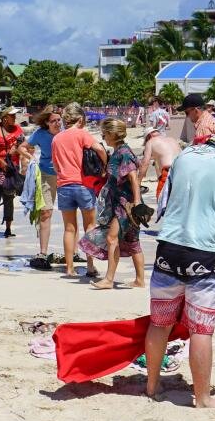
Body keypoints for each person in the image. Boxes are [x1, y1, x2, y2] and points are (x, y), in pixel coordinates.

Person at [144, 120, 215, 408]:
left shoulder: (187, 155)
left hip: (168, 247)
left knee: (160, 323)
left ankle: (152, 385)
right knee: (201, 329)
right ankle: (203, 398)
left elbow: (165, 201)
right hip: (204, 254)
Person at [79, 118, 146, 289]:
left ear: (112, 134)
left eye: (104, 133)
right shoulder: (119, 151)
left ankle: (108, 280)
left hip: (125, 205)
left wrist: (137, 201)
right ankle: (139, 280)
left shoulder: (123, 152)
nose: (103, 137)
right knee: (133, 241)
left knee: (111, 238)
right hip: (122, 204)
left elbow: (133, 177)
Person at [52, 103, 106, 278]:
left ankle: (69, 268)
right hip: (83, 185)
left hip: (64, 186)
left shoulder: (57, 139)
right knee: (89, 226)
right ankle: (90, 266)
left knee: (69, 229)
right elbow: (99, 148)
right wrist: (104, 165)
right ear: (80, 119)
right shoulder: (82, 133)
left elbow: (55, 165)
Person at [0, 106, 27, 241]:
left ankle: (8, 229)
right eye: (12, 116)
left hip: (11, 169)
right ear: (5, 118)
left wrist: (22, 165)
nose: (15, 118)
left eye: (15, 115)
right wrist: (0, 163)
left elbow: (24, 146)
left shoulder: (18, 129)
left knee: (9, 197)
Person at [26, 106, 61, 263]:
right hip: (46, 175)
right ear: (47, 122)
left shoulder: (65, 132)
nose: (58, 123)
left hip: (66, 176)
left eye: (59, 120)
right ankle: (43, 253)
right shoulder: (40, 134)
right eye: (54, 121)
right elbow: (22, 147)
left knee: (71, 213)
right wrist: (31, 158)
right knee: (45, 213)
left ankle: (74, 253)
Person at [138, 127, 182, 203]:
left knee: (162, 202)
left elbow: (145, 163)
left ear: (149, 136)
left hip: (168, 173)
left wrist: (138, 182)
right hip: (182, 171)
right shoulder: (172, 140)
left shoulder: (151, 142)